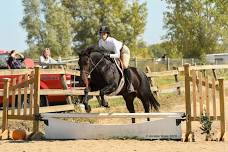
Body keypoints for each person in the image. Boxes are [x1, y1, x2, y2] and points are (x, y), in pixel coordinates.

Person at [98, 25, 135, 93]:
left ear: (107, 34)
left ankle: (130, 85)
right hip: (112, 53)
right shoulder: (100, 42)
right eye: (101, 33)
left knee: (125, 66)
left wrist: (109, 55)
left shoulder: (112, 41)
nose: (102, 35)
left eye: (104, 33)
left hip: (123, 51)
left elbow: (117, 55)